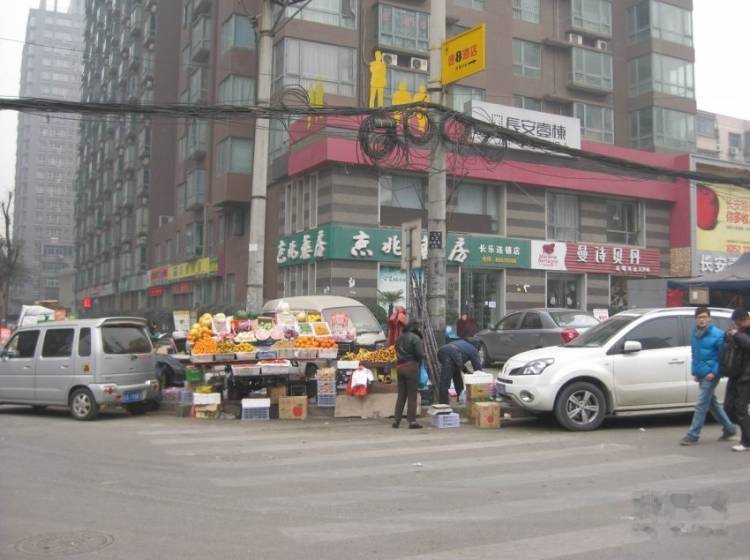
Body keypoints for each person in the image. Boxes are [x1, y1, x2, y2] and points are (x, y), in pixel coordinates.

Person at [680, 306, 737, 445]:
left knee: (701, 404)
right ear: (695, 319)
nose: (702, 320)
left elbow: (722, 356)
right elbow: (695, 354)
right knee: (712, 403)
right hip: (701, 373)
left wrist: (714, 372)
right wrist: (695, 372)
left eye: (705, 317)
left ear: (709, 318)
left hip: (711, 374)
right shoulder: (694, 333)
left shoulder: (718, 334)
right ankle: (729, 428)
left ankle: (693, 435)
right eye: (700, 317)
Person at [722, 309, 750, 452]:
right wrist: (728, 335)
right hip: (734, 374)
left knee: (740, 408)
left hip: (747, 376)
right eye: (735, 324)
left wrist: (737, 334)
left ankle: (746, 441)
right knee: (728, 408)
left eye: (739, 324)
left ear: (746, 319)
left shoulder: (742, 333)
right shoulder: (738, 331)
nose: (737, 326)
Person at [393, 321, 424, 429]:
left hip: (400, 367)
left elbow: (396, 351)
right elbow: (419, 354)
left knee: (401, 395)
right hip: (411, 367)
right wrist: (422, 358)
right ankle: (412, 421)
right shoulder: (415, 338)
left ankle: (396, 420)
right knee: (412, 395)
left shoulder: (399, 338)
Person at [436, 338, 482, 405]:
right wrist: (481, 380)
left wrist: (466, 371)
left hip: (441, 352)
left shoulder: (463, 343)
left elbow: (458, 361)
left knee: (457, 375)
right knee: (445, 381)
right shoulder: (474, 350)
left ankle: (460, 398)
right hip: (451, 355)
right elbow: (478, 368)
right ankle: (443, 404)